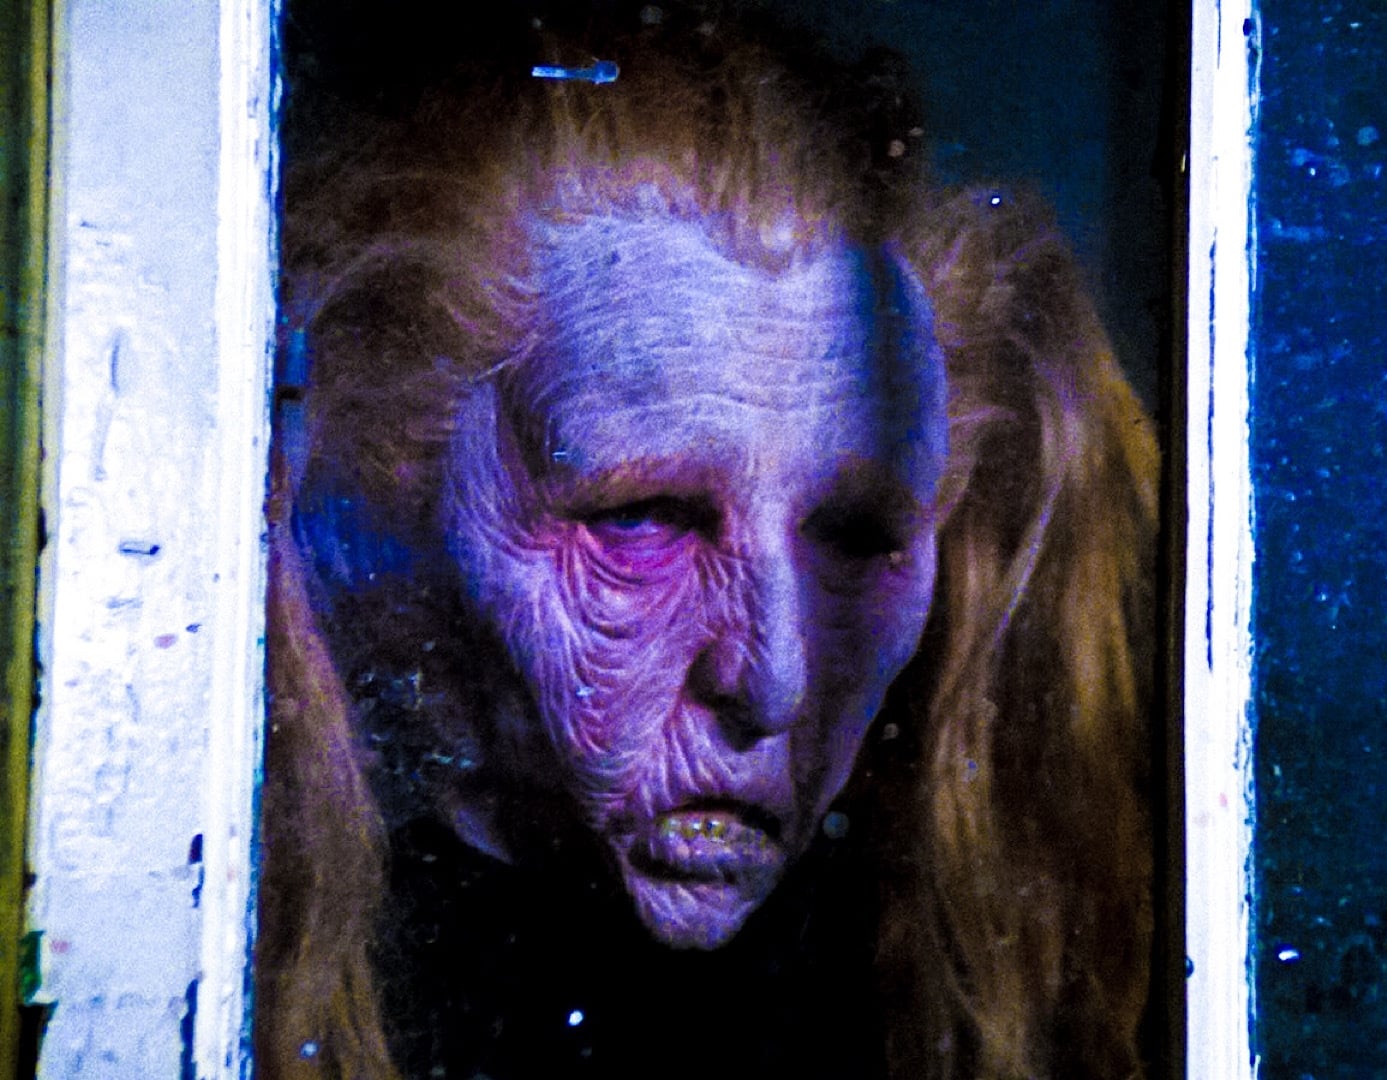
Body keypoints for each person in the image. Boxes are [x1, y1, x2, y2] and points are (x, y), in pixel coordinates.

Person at [259, 6, 1160, 1078]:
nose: (771, 681)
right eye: (638, 519)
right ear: (382, 508)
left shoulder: (948, 990)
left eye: (856, 536)